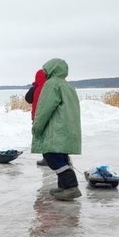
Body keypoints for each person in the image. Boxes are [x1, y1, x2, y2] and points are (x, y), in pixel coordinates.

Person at [31, 58, 82, 201]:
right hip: (67, 127)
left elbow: (45, 108)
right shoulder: (68, 86)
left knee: (52, 156)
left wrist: (37, 127)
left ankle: (71, 187)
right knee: (61, 156)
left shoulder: (52, 84)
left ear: (51, 70)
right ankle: (64, 187)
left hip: (56, 128)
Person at [25, 68, 48, 166]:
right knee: (51, 137)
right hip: (50, 116)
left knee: (42, 138)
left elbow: (28, 99)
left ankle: (46, 158)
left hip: (37, 116)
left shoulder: (35, 88)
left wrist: (34, 86)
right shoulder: (51, 87)